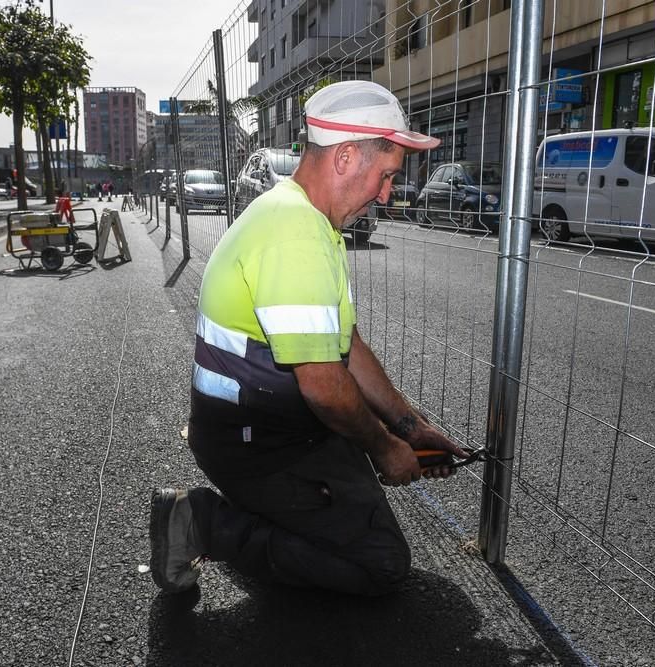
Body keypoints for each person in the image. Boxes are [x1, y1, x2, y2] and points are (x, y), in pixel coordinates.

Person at [149, 80, 469, 597]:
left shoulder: (301, 216)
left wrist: (410, 427)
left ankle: (274, 517)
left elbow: (348, 347)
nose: (387, 195)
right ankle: (201, 521)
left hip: (273, 431)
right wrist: (387, 449)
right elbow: (323, 386)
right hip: (258, 446)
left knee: (353, 503)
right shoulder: (295, 233)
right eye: (385, 176)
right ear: (345, 157)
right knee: (381, 564)